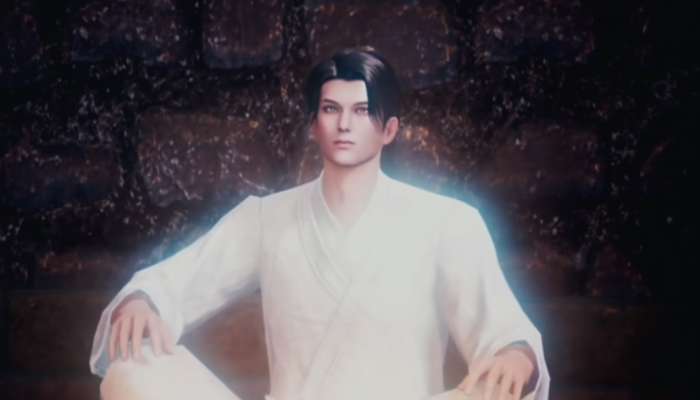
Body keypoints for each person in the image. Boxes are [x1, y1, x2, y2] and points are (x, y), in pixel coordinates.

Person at [89, 47, 550, 400]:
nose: (344, 124)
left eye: (362, 111)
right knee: (133, 369)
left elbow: (505, 330)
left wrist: (516, 355)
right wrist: (146, 299)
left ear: (389, 129)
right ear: (314, 125)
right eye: (331, 109)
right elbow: (177, 280)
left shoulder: (448, 222)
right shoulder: (266, 218)